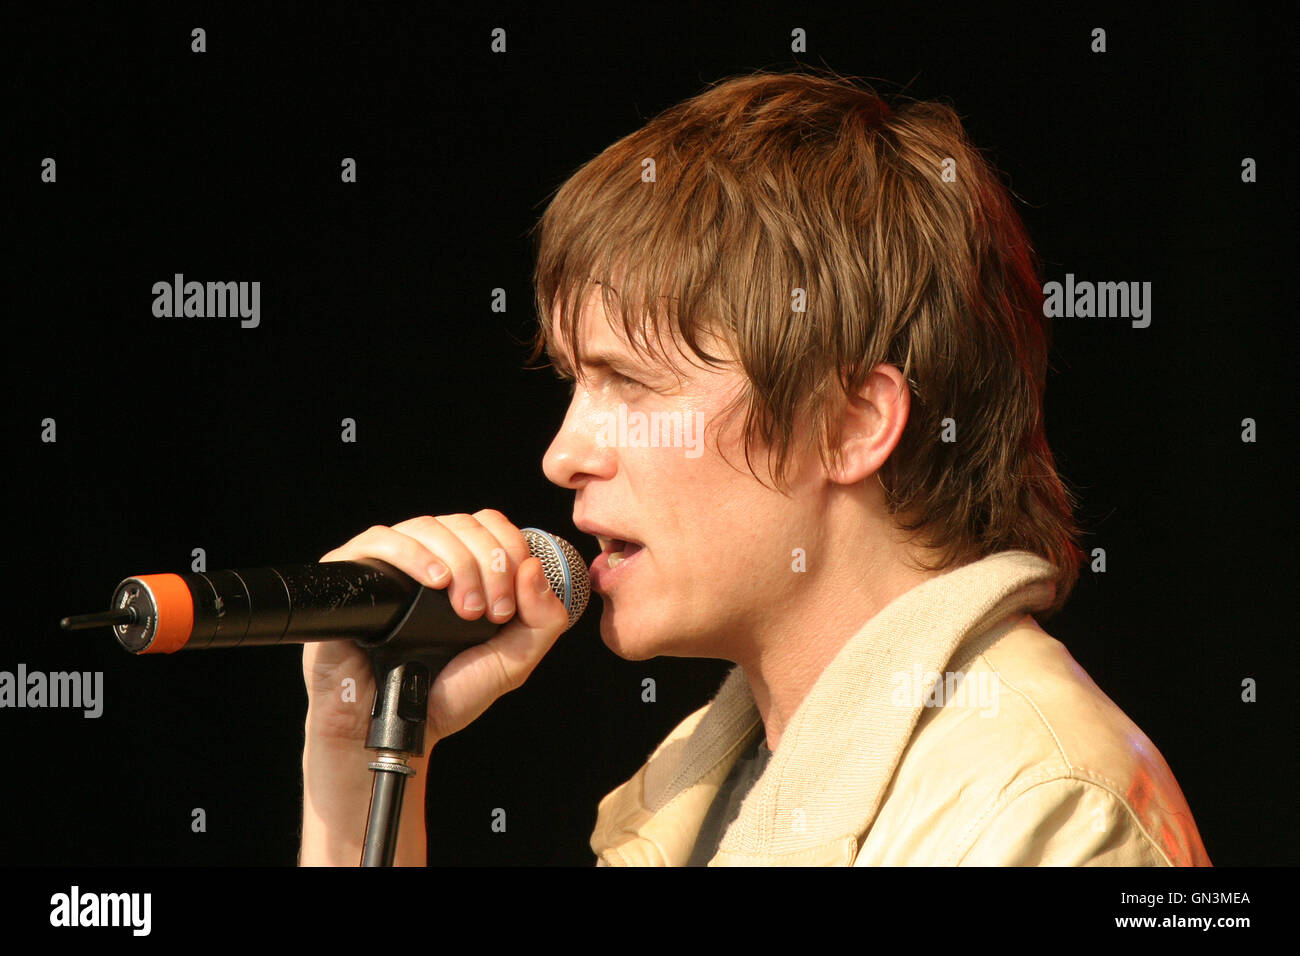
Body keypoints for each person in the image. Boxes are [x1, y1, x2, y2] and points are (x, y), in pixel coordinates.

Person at [298, 69, 1211, 866]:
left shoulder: (1043, 807)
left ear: (850, 426)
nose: (562, 454)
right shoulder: (693, 787)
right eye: (576, 383)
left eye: (631, 383)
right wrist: (359, 756)